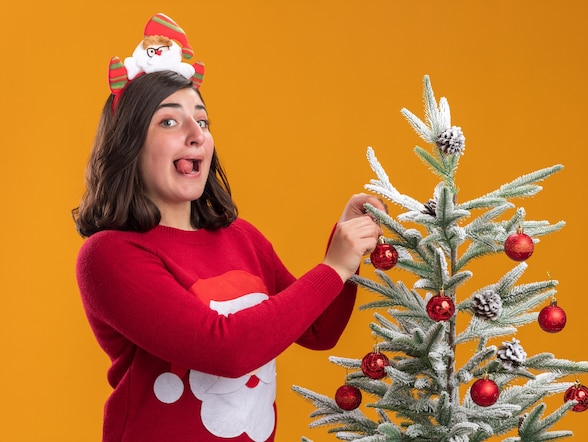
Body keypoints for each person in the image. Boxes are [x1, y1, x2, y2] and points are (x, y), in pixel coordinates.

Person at [73, 13, 385, 442]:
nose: (195, 133)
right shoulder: (109, 255)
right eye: (169, 121)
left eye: (201, 120)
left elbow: (317, 330)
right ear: (129, 145)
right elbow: (227, 349)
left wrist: (348, 248)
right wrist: (333, 268)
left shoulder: (242, 237)